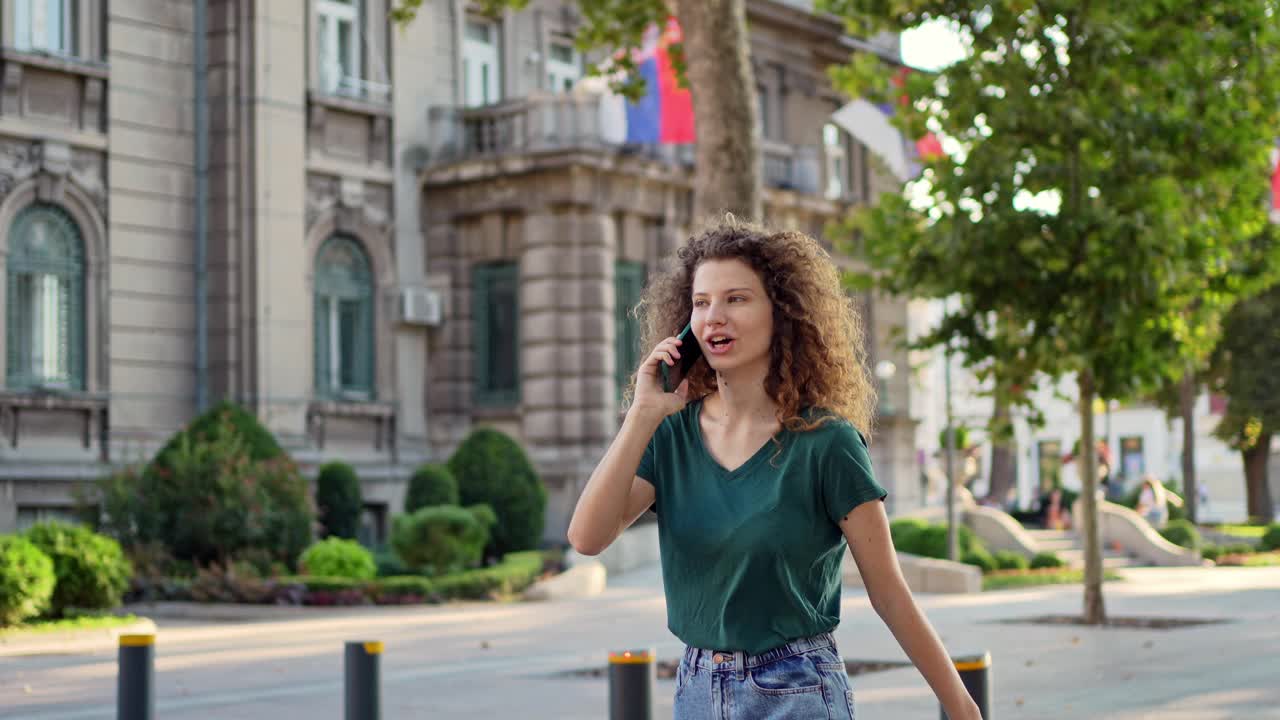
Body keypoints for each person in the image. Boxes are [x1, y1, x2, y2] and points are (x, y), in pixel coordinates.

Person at [567, 221, 982, 720]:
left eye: (736, 299)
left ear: (781, 312)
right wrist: (641, 415)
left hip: (797, 688)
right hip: (696, 689)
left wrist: (962, 708)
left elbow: (888, 592)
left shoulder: (827, 442)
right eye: (701, 303)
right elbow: (587, 538)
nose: (714, 317)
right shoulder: (670, 437)